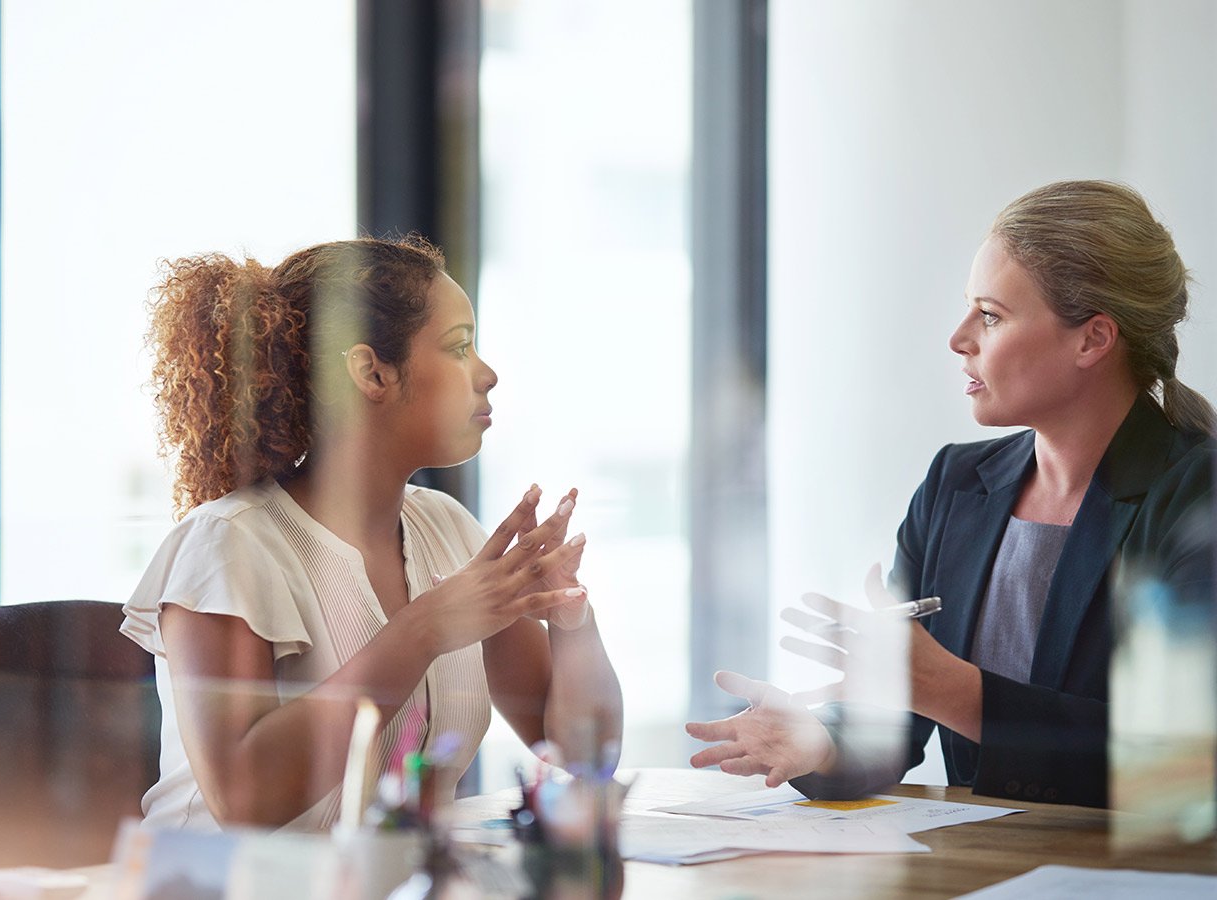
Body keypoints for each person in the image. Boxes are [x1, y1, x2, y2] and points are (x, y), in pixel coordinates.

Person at [686, 180, 1216, 808]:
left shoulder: (1196, 496)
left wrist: (956, 693)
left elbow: (1186, 764)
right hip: (981, 869)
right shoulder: (955, 486)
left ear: (1093, 339)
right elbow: (895, 720)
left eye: (990, 315)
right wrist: (821, 739)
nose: (959, 337)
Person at [120, 235, 624, 831]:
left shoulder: (447, 530)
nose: (487, 374)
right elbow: (243, 799)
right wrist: (423, 630)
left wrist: (571, 617)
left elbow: (583, 756)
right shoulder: (227, 544)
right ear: (371, 372)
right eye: (459, 347)